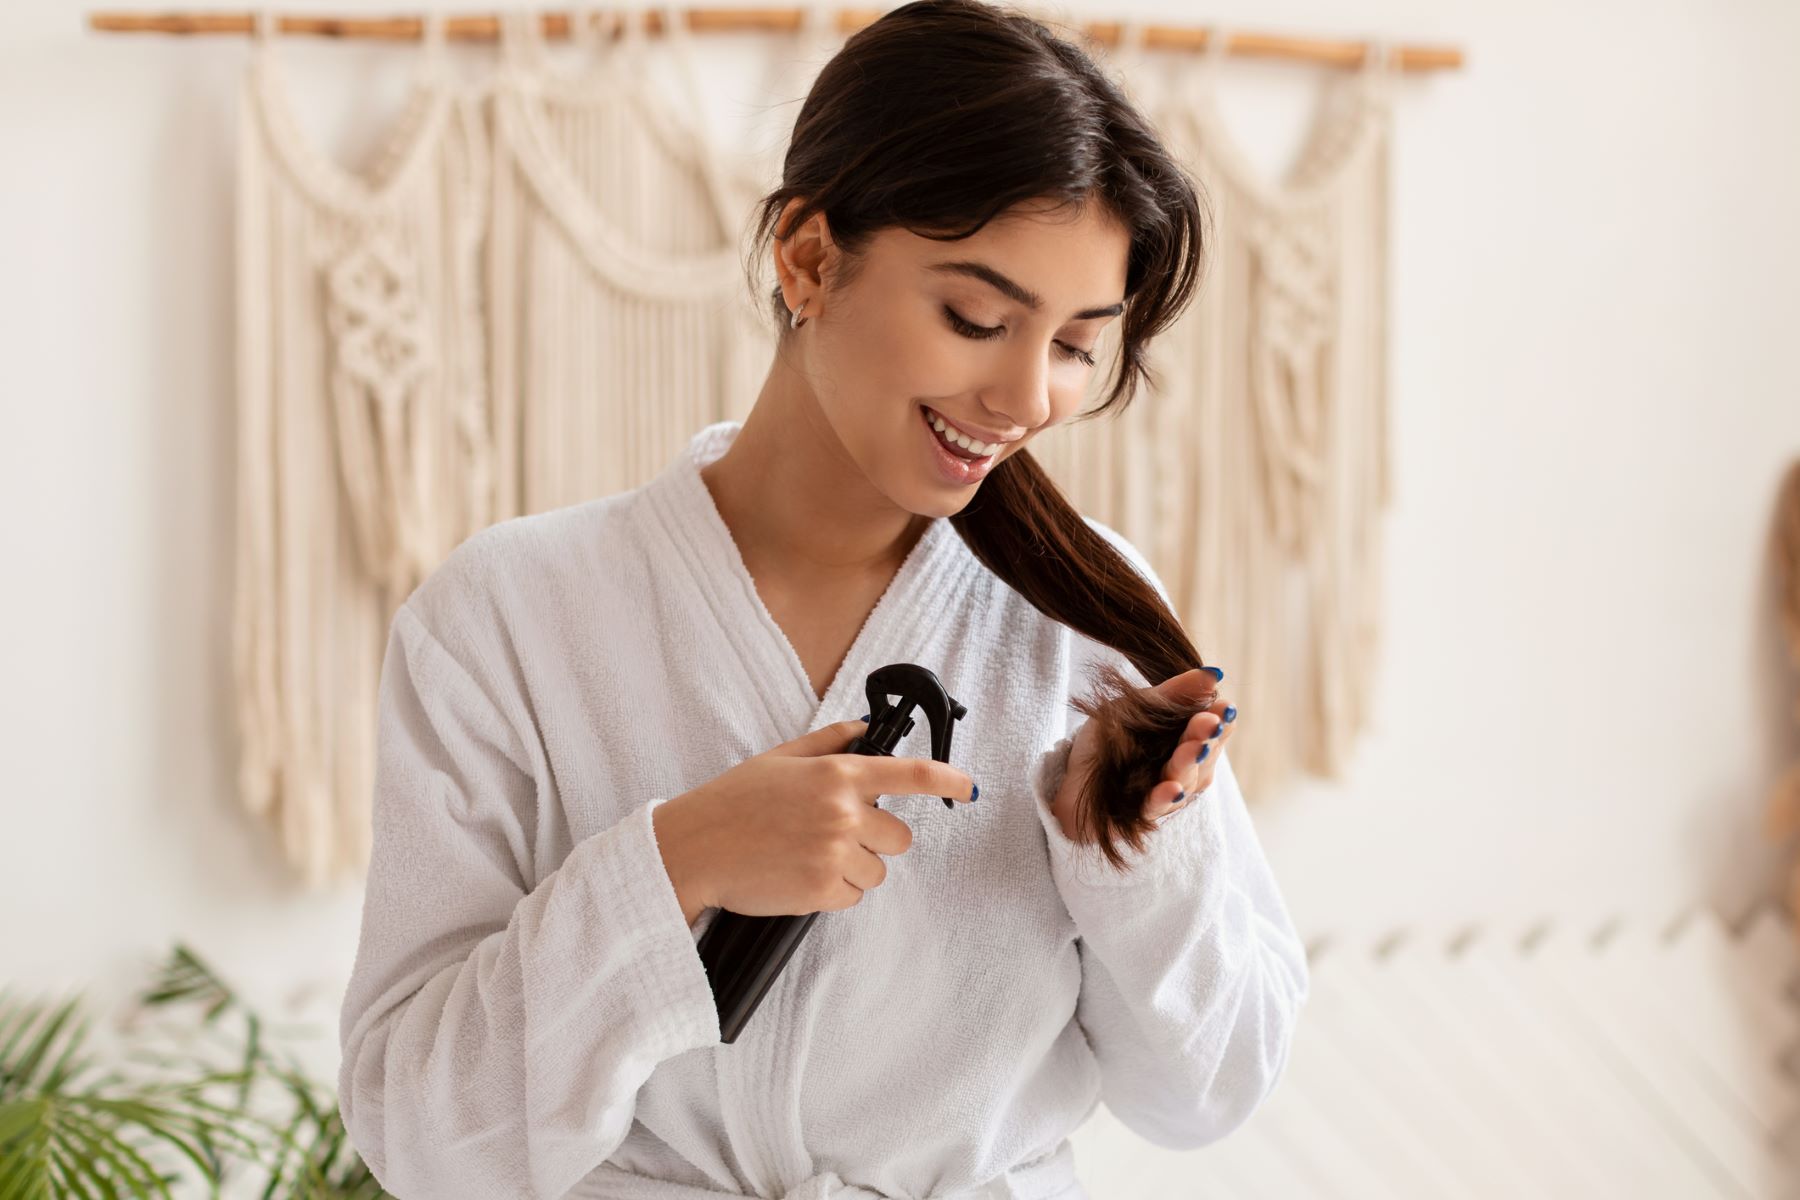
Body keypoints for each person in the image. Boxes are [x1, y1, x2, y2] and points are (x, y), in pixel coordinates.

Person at [337, 2, 1309, 1197]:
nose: (1024, 397)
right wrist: (671, 867)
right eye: (978, 318)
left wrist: (1136, 860)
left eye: (1075, 345)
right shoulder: (509, 617)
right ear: (806, 257)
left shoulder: (1087, 620)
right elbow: (423, 1140)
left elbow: (1211, 1092)